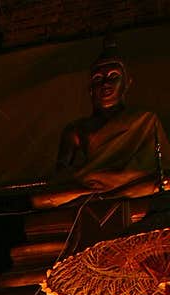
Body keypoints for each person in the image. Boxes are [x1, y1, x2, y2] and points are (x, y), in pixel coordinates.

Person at [33, 40, 168, 209]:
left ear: (126, 84)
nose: (105, 84)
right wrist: (87, 181)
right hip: (91, 185)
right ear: (90, 89)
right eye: (98, 79)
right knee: (39, 199)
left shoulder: (145, 120)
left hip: (129, 182)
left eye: (113, 76)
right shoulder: (75, 129)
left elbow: (162, 167)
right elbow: (61, 175)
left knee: (167, 182)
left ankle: (106, 196)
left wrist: (116, 179)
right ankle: (106, 195)